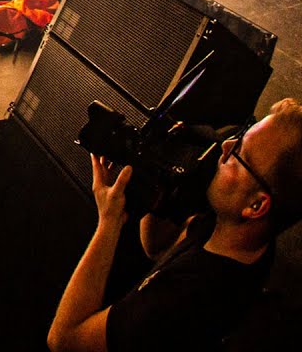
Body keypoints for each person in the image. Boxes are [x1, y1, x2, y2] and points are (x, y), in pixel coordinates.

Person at [48, 98, 302, 352]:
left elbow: (64, 339)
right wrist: (153, 176)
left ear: (256, 206)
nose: (226, 145)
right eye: (243, 133)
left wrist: (109, 221)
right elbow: (157, 247)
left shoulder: (185, 298)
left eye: (239, 153)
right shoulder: (236, 233)